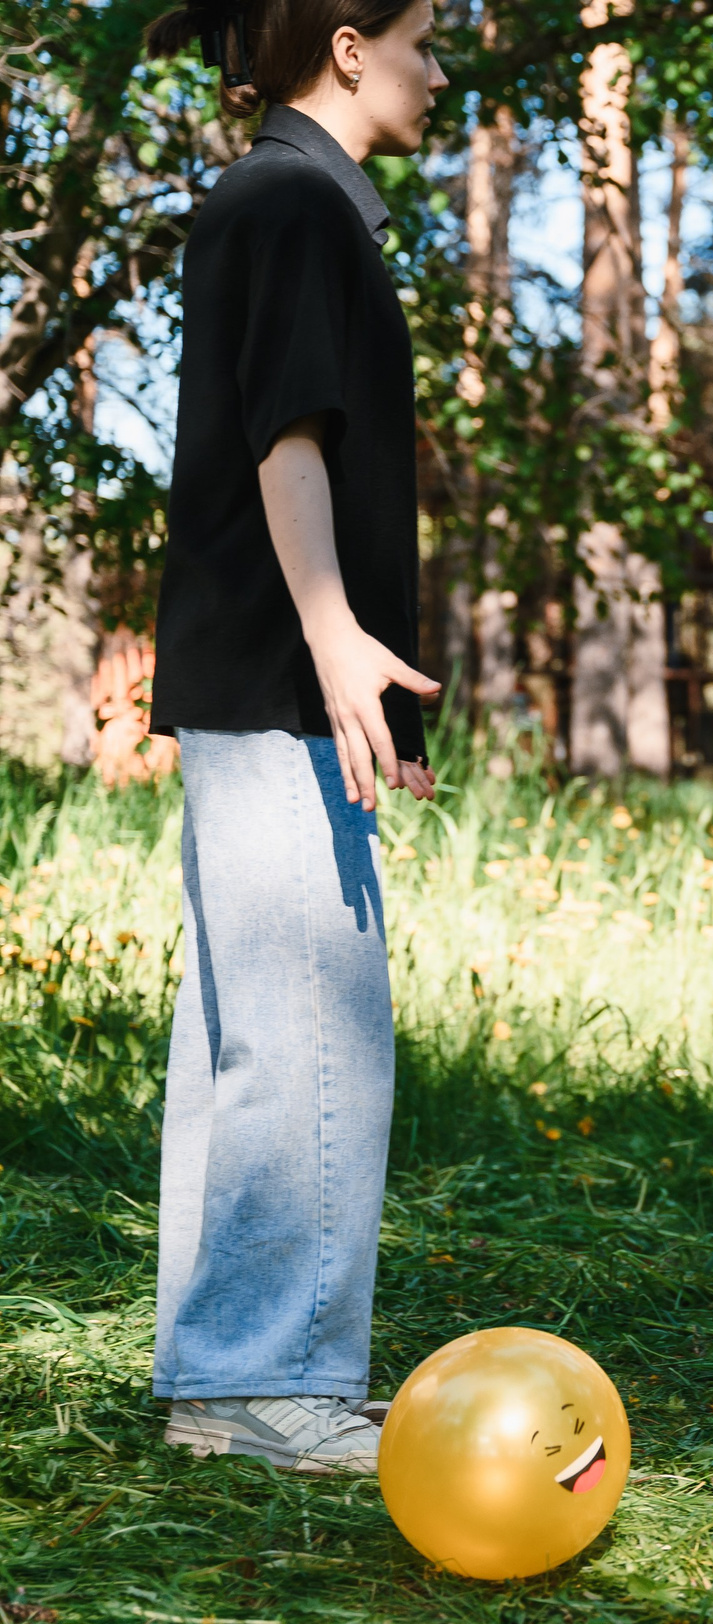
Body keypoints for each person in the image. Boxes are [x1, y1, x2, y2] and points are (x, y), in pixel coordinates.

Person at [140, 0, 449, 1471]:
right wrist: (336, 643)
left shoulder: (275, 198)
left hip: (256, 679)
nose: (441, 70)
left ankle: (221, 1378)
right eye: (425, 38)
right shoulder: (293, 200)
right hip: (277, 678)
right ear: (346, 45)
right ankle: (271, 1378)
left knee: (244, 1033)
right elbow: (291, 439)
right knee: (313, 1030)